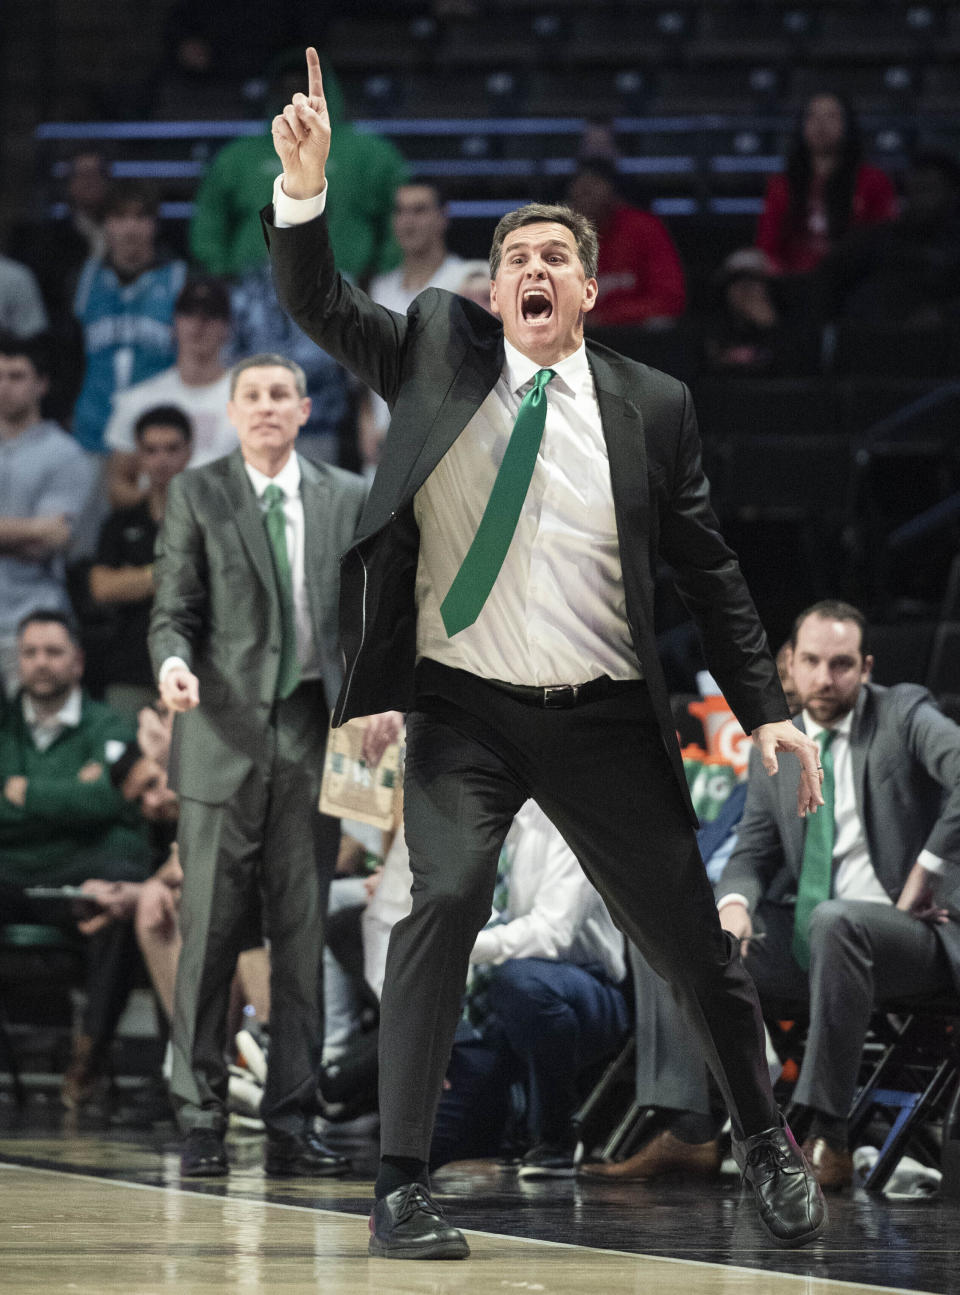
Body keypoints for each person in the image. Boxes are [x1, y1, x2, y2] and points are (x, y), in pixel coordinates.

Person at [264, 49, 828, 1258]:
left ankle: (769, 1145)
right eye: (514, 257)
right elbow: (319, 308)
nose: (531, 270)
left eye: (553, 258)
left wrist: (769, 704)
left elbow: (709, 564)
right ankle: (402, 1183)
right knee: (443, 895)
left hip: (604, 712)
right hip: (467, 705)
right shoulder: (435, 350)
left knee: (691, 938)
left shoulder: (652, 404)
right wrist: (303, 193)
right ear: (491, 286)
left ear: (587, 292)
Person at [587, 601, 960, 1194]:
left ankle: (827, 1137)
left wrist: (929, 869)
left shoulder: (904, 712)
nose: (823, 678)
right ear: (794, 660)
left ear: (864, 668)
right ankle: (690, 1129)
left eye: (840, 665)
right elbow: (752, 854)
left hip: (908, 934)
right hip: (815, 937)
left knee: (837, 922)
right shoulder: (780, 742)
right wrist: (735, 905)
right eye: (811, 661)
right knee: (667, 929)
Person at [148, 353, 369, 1180]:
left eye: (282, 394)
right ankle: (201, 1112)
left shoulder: (345, 495)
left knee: (301, 935)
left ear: (305, 408)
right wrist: (172, 663)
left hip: (312, 735)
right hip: (220, 732)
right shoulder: (199, 492)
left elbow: (365, 616)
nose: (268, 406)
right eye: (254, 396)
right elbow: (174, 607)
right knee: (207, 933)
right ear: (232, 411)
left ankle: (292, 1115)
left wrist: (379, 704)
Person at [0, 611, 153, 1106]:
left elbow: (118, 806)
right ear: (18, 661)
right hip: (12, 877)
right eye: (30, 653)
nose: (41, 663)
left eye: (53, 652)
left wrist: (25, 795)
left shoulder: (109, 725)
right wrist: (76, 798)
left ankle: (90, 1054)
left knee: (116, 897)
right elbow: (95, 804)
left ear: (78, 662)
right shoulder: (3, 727)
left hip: (81, 877)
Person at [432, 799, 629, 1176]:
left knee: (522, 983)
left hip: (585, 988)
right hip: (486, 1001)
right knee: (437, 1143)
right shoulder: (465, 817)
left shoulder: (568, 814)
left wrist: (459, 943)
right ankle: (506, 1131)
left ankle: (556, 1138)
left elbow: (551, 932)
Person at [189, 54, 408, 283]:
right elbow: (209, 219)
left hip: (345, 283)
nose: (295, 96)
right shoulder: (238, 155)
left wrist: (379, 275)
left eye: (303, 87)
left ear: (325, 89)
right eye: (286, 87)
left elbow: (402, 215)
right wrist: (221, 272)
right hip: (257, 286)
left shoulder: (371, 153)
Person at [0, 332, 97, 697]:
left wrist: (42, 536)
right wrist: (31, 530)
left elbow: (53, 541)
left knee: (32, 733)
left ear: (41, 383)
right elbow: (40, 534)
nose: (4, 386)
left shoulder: (65, 454)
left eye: (16, 376)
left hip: (33, 622)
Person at [90, 406, 194, 722]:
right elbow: (102, 588)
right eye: (151, 450)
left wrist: (134, 580)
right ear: (138, 455)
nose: (162, 460)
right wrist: (174, 571)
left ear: (189, 452)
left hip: (194, 671)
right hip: (129, 668)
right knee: (124, 765)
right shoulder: (120, 522)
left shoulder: (211, 520)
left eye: (172, 449)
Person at [359, 182, 466, 476]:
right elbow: (367, 370)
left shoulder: (469, 282)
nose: (408, 221)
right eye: (400, 211)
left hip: (445, 455)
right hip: (383, 454)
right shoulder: (379, 289)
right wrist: (366, 422)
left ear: (443, 217)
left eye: (419, 210)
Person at [73, 183, 187, 457]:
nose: (130, 228)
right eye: (120, 218)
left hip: (158, 439)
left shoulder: (179, 279)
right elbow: (66, 356)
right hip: (91, 433)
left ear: (154, 225)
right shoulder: (85, 280)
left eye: (140, 217)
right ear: (106, 226)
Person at [104, 276, 235, 508]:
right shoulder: (137, 400)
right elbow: (117, 486)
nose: (198, 325)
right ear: (173, 324)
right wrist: (160, 503)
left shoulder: (255, 403)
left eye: (210, 316)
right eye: (189, 314)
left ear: (227, 328)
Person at [755, 93, 896, 275]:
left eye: (831, 116)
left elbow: (884, 239)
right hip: (792, 280)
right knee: (742, 266)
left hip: (852, 280)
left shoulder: (873, 180)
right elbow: (767, 244)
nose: (821, 124)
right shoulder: (781, 184)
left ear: (847, 125)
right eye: (812, 116)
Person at [818, 151, 960, 328]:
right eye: (913, 191)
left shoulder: (953, 246)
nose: (919, 200)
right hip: (871, 339)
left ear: (952, 194)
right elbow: (827, 279)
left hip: (940, 343)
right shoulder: (877, 238)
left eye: (928, 190)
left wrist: (943, 314)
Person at [565, 157, 685, 328]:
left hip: (634, 333)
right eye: (581, 189)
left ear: (613, 192)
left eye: (594, 186)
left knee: (661, 323)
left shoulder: (644, 227)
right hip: (577, 337)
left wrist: (606, 317)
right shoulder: (556, 235)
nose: (587, 194)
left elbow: (670, 299)